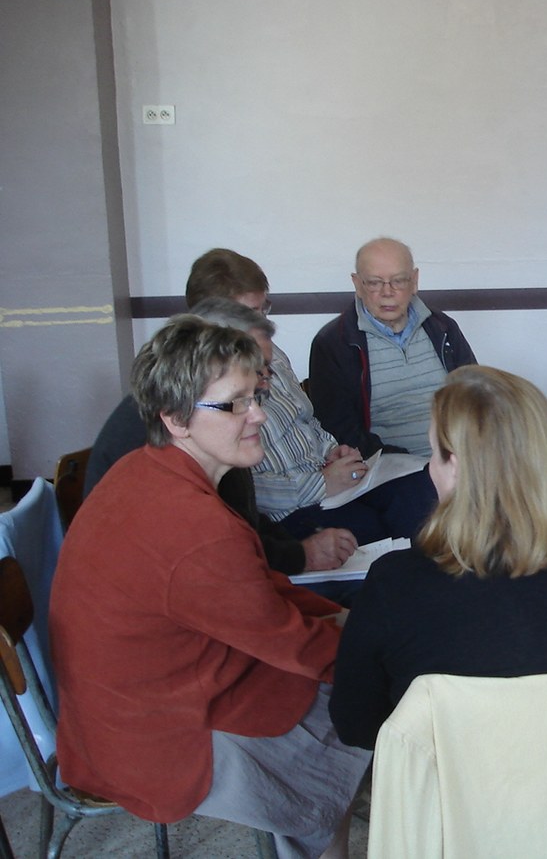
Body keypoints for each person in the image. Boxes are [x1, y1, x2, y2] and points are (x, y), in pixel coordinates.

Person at [50, 316, 372, 859]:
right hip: (154, 734)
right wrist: (377, 655)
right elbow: (283, 637)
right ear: (176, 418)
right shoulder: (194, 528)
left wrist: (348, 623)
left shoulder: (144, 469)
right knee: (351, 703)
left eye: (255, 396)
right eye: (234, 404)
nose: (259, 416)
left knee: (346, 674)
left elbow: (253, 587)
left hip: (127, 700)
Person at [329, 365, 547, 749]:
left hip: (457, 803)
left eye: (434, 453)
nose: (429, 468)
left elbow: (357, 726)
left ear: (455, 468)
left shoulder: (395, 583)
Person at [184, 248, 440, 546]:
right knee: (379, 530)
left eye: (262, 310)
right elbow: (234, 486)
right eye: (247, 316)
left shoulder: (271, 353)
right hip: (292, 507)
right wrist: (321, 484)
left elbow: (308, 420)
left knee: (426, 491)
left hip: (329, 477)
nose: (261, 324)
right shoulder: (202, 385)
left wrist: (334, 450)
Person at [83, 298, 355, 577]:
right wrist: (302, 556)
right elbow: (227, 565)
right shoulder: (165, 468)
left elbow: (243, 521)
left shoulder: (211, 428)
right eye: (257, 369)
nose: (261, 411)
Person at [309, 237, 476, 457]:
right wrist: (399, 461)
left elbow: (475, 394)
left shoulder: (442, 327)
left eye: (398, 280)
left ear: (414, 281)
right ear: (358, 284)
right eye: (375, 282)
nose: (388, 292)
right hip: (390, 466)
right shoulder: (333, 343)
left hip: (461, 454)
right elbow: (341, 432)